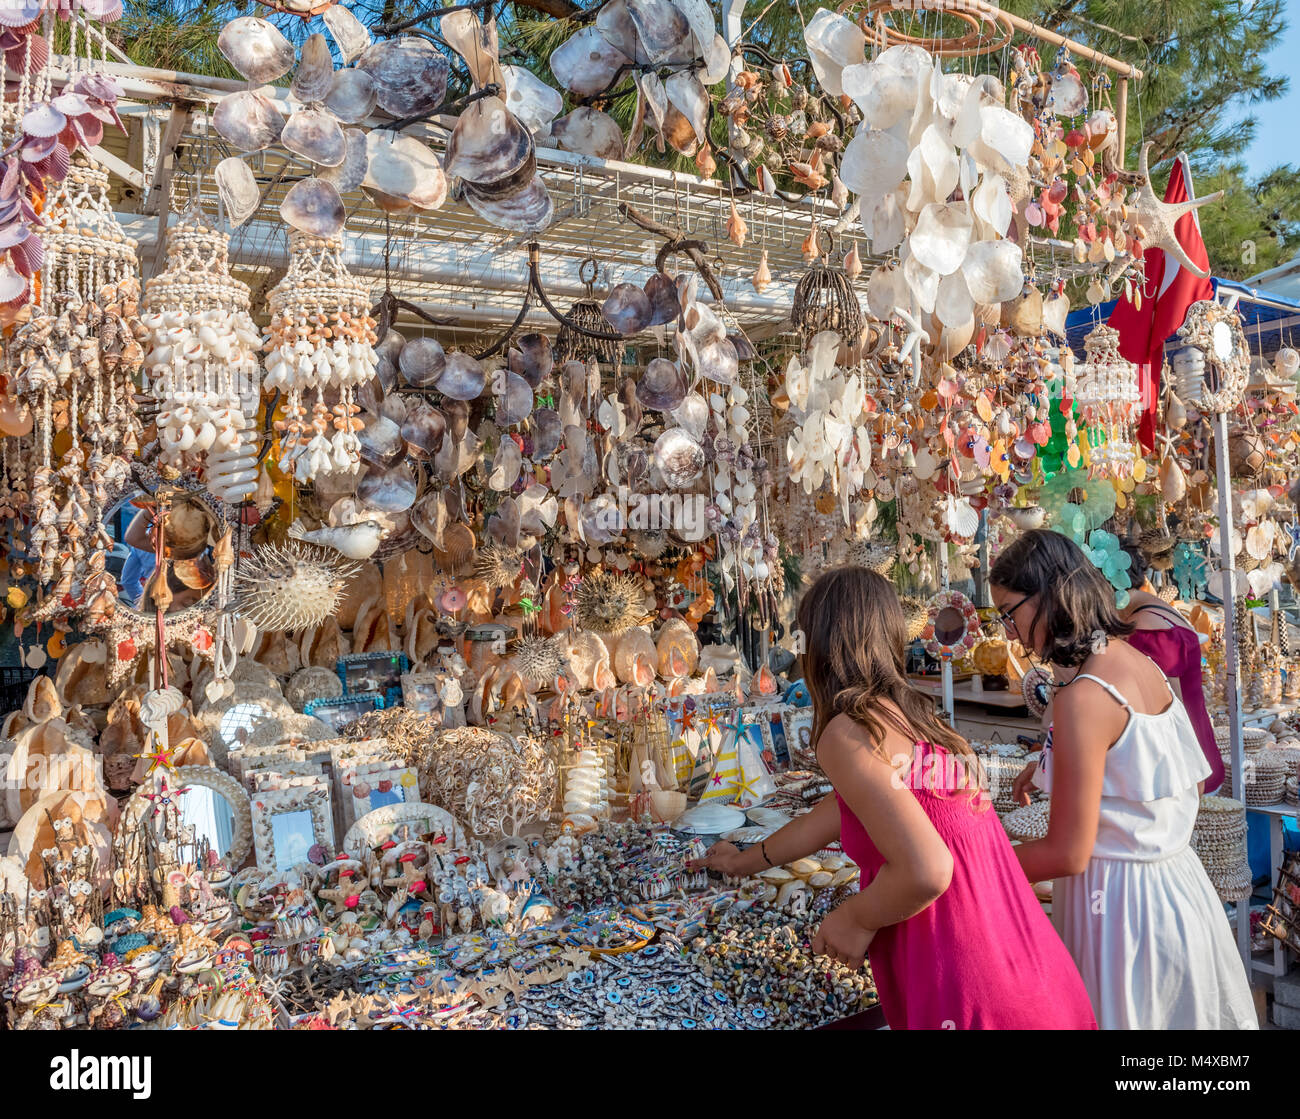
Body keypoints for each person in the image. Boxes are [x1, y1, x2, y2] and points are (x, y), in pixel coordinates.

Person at [693, 567, 1096, 1030]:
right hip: (1034, 970)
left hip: (972, 986)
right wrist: (746, 861)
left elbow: (928, 868)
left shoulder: (849, 730)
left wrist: (855, 918)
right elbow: (840, 809)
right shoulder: (916, 716)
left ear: (824, 645)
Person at [992, 529, 1256, 1030]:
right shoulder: (1137, 663)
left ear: (1048, 595)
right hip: (1179, 892)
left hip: (1121, 915)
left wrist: (978, 865)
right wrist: (1055, 766)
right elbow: (1181, 781)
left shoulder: (1082, 696)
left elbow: (1067, 852)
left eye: (1010, 612)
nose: (1008, 632)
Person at [1114, 535, 1224, 792]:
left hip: (1184, 774)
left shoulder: (1144, 630)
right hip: (1201, 758)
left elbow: (1163, 714)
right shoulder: (1162, 611)